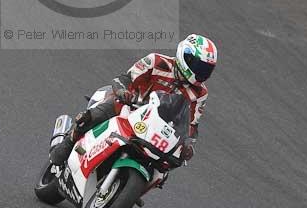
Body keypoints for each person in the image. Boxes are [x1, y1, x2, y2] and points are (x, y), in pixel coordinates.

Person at [49, 33, 217, 166]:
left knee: (167, 164)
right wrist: (123, 92)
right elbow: (124, 78)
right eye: (199, 66)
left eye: (206, 69)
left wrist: (188, 144)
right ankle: (69, 142)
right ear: (185, 56)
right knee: (94, 116)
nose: (201, 73)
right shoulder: (157, 61)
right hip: (129, 107)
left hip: (157, 129)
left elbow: (192, 125)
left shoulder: (200, 93)